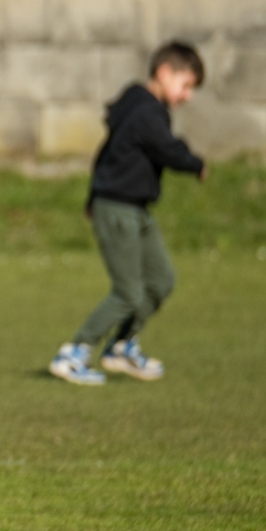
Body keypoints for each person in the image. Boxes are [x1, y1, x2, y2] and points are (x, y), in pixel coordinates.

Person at [49, 41, 208, 386]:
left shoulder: (137, 104)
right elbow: (167, 149)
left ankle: (121, 347)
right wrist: (196, 164)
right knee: (128, 292)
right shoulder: (147, 112)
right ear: (164, 73)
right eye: (186, 85)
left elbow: (106, 152)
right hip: (117, 207)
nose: (188, 96)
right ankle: (74, 353)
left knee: (161, 280)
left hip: (136, 208)